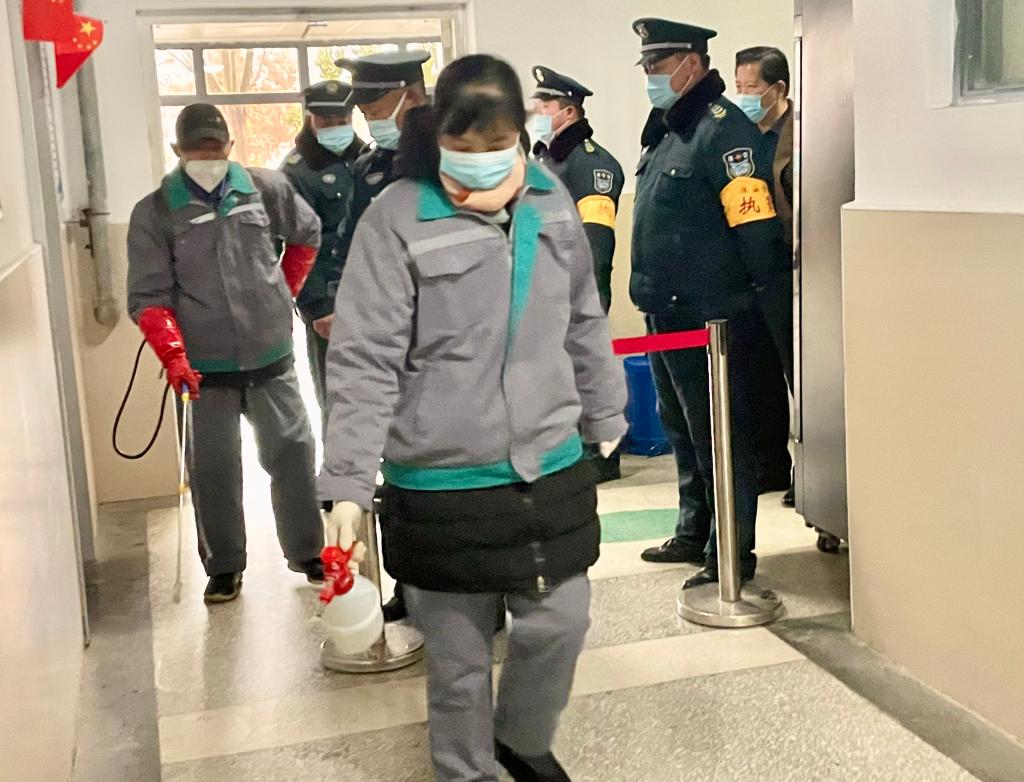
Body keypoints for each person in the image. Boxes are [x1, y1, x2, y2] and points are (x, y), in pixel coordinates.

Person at [318, 54, 627, 782]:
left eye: (498, 142)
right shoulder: (397, 216)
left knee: (561, 622)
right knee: (458, 666)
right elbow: (364, 360)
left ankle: (519, 737)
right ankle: (466, 771)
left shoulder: (550, 197)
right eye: (465, 143)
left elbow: (583, 314)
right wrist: (348, 486)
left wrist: (606, 405)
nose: (482, 157)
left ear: (520, 131)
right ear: (437, 134)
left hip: (547, 464)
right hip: (443, 480)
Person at [127, 103, 326, 603]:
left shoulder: (265, 189)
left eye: (215, 148)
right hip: (202, 367)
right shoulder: (155, 212)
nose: (208, 157)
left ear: (230, 146)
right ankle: (224, 567)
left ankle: (307, 551)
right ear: (177, 150)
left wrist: (283, 290)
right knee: (213, 469)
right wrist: (174, 355)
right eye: (197, 150)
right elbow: (148, 297)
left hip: (270, 354)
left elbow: (306, 233)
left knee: (294, 452)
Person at [630, 19, 788, 588]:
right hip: (663, 310)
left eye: (657, 65)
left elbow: (756, 231)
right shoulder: (671, 129)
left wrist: (756, 311)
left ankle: (730, 552)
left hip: (710, 316)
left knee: (720, 435)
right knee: (680, 427)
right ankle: (694, 529)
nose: (650, 76)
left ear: (691, 65)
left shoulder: (725, 132)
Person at [333, 50, 432, 622]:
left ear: (411, 96)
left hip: (441, 341)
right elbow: (351, 246)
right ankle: (409, 582)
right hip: (388, 338)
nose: (367, 116)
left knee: (450, 469)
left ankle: (479, 594)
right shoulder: (369, 168)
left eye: (375, 104)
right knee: (396, 470)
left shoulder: (460, 160)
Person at [531, 65, 626, 483]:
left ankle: (599, 457)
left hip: (573, 296)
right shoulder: (545, 161)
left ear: (568, 112)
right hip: (543, 294)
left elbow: (596, 245)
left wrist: (588, 302)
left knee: (586, 375)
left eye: (545, 106)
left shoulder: (590, 166)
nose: (536, 113)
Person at [282, 80, 367, 427]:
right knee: (339, 404)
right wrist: (318, 306)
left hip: (376, 296)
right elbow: (297, 245)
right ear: (309, 118)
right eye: (325, 121)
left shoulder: (367, 159)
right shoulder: (296, 172)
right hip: (331, 304)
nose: (335, 128)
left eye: (341, 120)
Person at [735, 46, 797, 506]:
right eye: (738, 87)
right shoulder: (738, 134)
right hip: (748, 273)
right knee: (758, 373)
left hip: (791, 272)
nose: (743, 96)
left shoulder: (803, 133)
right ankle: (771, 464)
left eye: (751, 88)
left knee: (799, 374)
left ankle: (811, 472)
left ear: (778, 89)